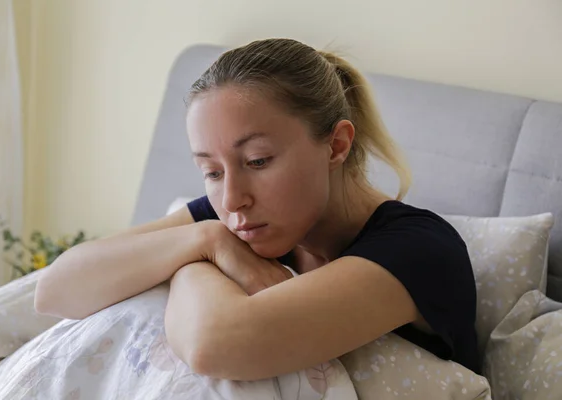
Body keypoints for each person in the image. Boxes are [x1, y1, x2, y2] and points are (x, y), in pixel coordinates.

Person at [34, 38, 480, 380]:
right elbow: (56, 290)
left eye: (258, 161)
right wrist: (205, 240)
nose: (231, 200)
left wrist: (188, 263)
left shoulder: (420, 249)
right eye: (211, 172)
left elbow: (216, 344)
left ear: (337, 145)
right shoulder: (232, 223)